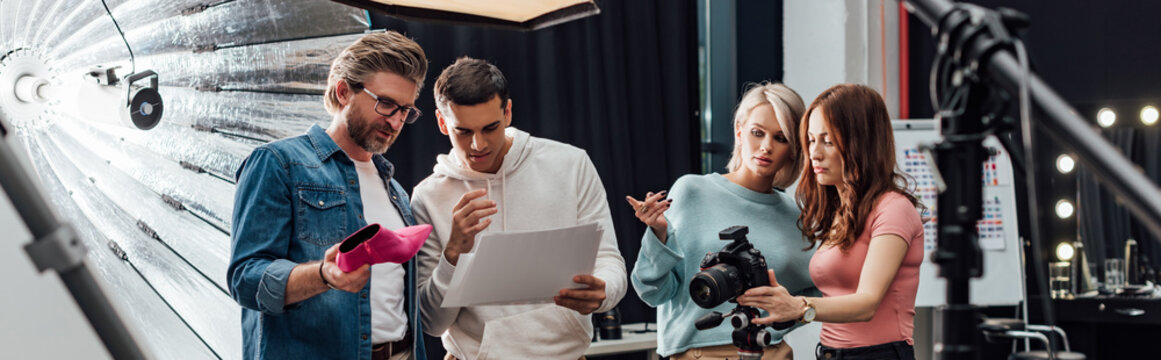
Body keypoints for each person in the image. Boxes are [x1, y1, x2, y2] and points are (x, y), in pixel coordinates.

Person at [227, 31, 429, 360]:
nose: (395, 121)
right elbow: (245, 278)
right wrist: (323, 275)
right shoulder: (279, 163)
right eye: (386, 104)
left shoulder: (396, 192)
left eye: (405, 110)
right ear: (343, 91)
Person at [411, 57, 627, 360]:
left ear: (508, 112)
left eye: (490, 128)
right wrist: (453, 253)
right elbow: (432, 323)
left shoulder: (570, 164)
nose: (478, 144)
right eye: (463, 131)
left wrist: (604, 292)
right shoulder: (428, 196)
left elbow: (608, 259)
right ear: (442, 122)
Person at [628, 82, 819, 360]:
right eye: (757, 133)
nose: (766, 147)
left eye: (781, 138)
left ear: (793, 149)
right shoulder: (692, 191)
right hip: (699, 353)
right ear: (740, 131)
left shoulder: (795, 216)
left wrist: (787, 315)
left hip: (772, 352)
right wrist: (658, 235)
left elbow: (820, 292)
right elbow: (653, 291)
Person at [736, 83, 924, 360]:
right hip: (831, 353)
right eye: (811, 140)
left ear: (861, 142)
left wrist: (798, 306)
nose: (815, 153)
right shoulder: (840, 212)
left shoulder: (893, 209)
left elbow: (867, 304)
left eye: (828, 141)